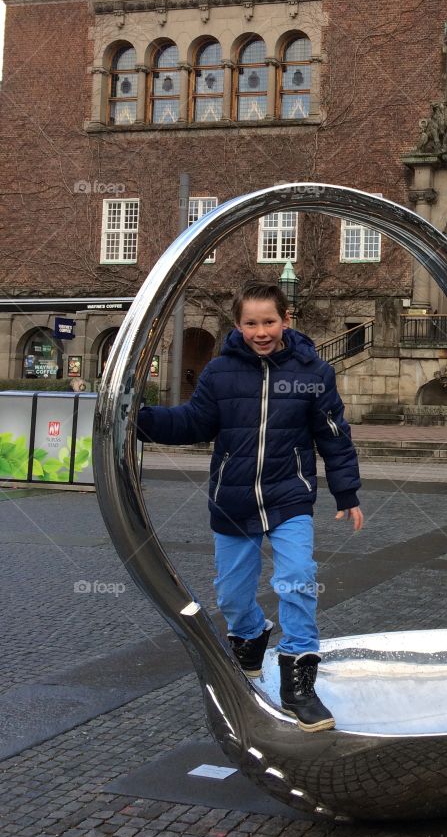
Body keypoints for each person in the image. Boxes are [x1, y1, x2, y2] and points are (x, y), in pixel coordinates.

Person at [136, 281, 363, 732]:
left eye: (269, 321)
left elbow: (333, 434)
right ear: (237, 325)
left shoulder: (313, 372)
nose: (261, 331)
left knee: (297, 579)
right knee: (233, 596)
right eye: (250, 323)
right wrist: (137, 419)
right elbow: (194, 422)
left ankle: (299, 680)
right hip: (233, 500)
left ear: (286, 319)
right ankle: (251, 634)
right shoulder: (220, 372)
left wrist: (347, 493)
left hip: (289, 497)